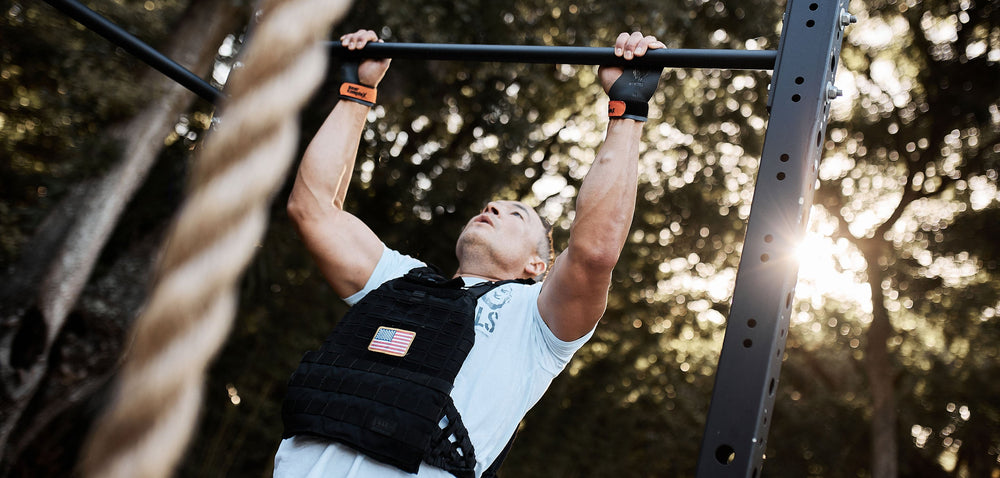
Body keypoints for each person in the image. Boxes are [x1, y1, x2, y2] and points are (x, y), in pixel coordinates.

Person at [274, 29, 666, 478]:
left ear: (536, 266)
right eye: (490, 205)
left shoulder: (536, 323)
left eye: (517, 214)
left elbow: (594, 252)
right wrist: (356, 91)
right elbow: (313, 210)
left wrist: (627, 109)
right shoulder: (402, 283)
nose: (493, 206)